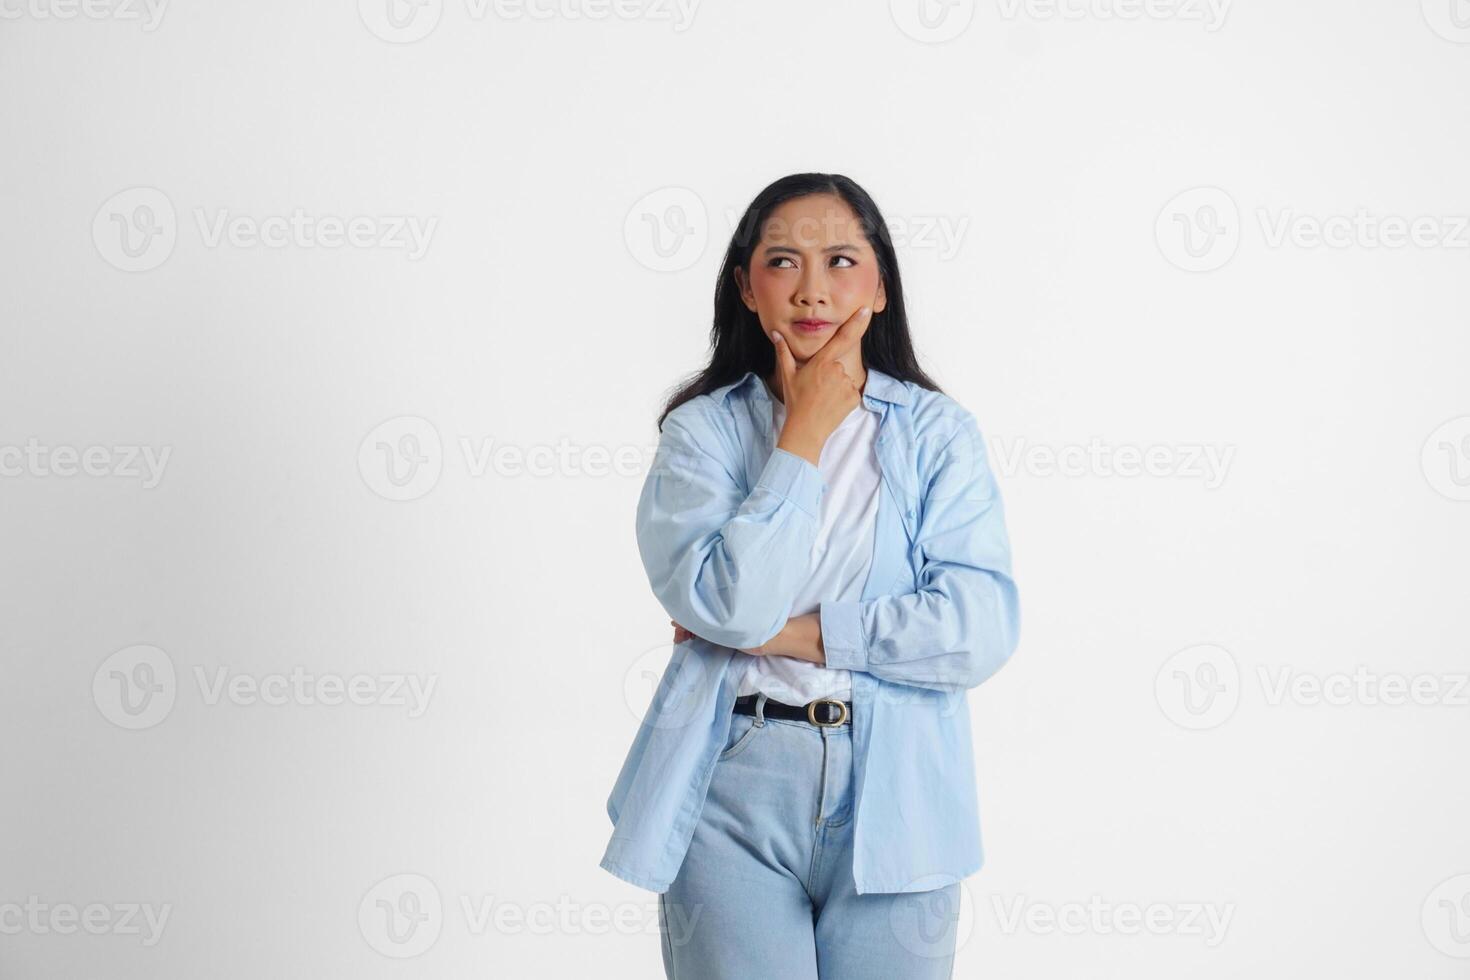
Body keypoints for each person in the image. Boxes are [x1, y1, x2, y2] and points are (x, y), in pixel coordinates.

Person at [601, 173, 1022, 979]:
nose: (813, 291)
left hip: (900, 786)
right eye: (783, 262)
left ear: (881, 285)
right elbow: (730, 600)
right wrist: (804, 434)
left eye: (840, 260)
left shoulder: (938, 434)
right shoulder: (703, 435)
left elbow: (978, 626)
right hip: (733, 779)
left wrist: (796, 634)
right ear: (746, 288)